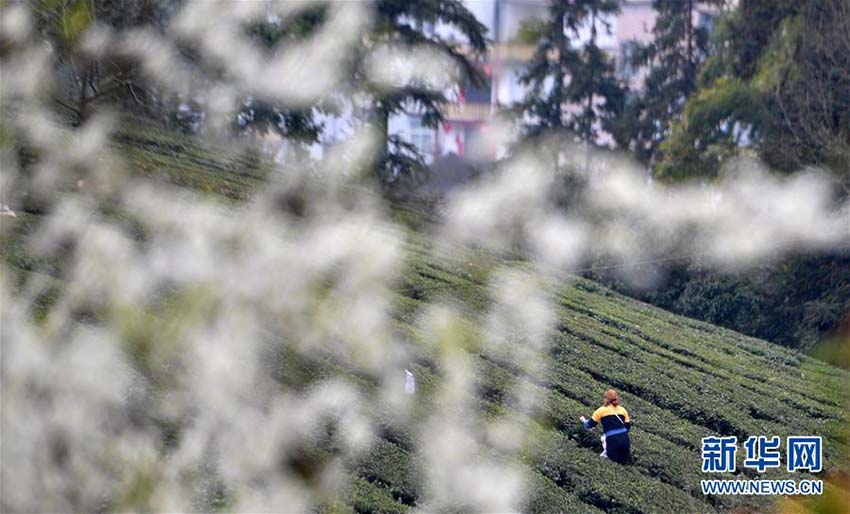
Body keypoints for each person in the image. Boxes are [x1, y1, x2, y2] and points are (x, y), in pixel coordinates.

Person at [579, 389, 631, 464]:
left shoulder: (601, 410)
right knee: (623, 463)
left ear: (606, 399)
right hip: (625, 440)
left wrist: (583, 421)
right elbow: (627, 427)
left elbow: (590, 425)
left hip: (612, 440)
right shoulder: (623, 410)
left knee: (609, 462)